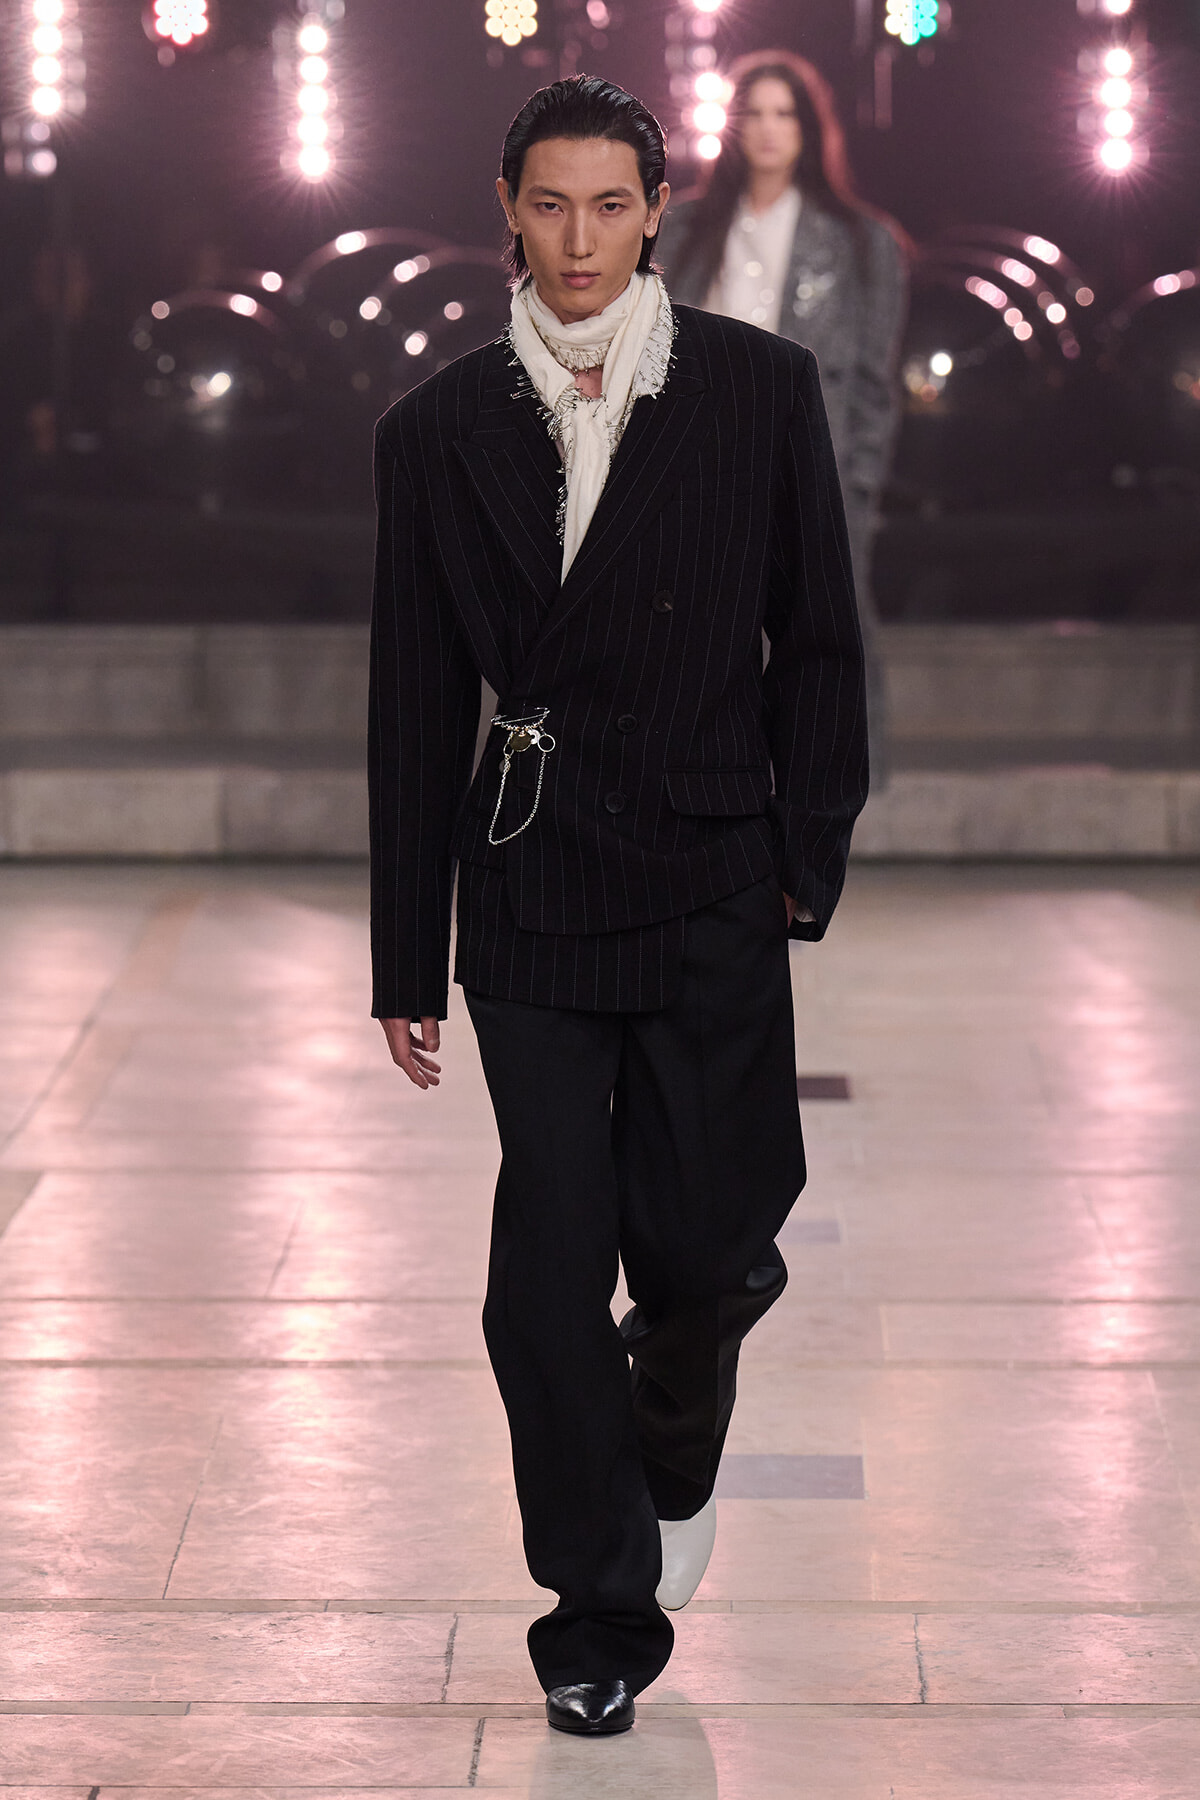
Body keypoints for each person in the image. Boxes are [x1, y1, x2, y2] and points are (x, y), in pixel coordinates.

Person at [369, 74, 867, 1737]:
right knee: (540, 1271)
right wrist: (403, 951)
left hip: (715, 858)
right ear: (505, 207)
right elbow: (413, 699)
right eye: (549, 204)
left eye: (609, 205)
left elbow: (820, 636)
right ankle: (596, 1611)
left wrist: (812, 839)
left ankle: (676, 1409)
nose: (578, 239)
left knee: (717, 1240)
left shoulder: (757, 390)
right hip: (532, 878)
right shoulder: (435, 429)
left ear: (659, 211)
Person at [657, 50, 908, 783]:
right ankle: (695, 780)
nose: (767, 130)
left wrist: (858, 486)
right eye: (754, 113)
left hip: (813, 459)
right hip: (701, 458)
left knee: (828, 625)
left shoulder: (863, 242)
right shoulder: (682, 231)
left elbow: (873, 380)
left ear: (807, 126)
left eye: (783, 113)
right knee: (694, 626)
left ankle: (838, 782)